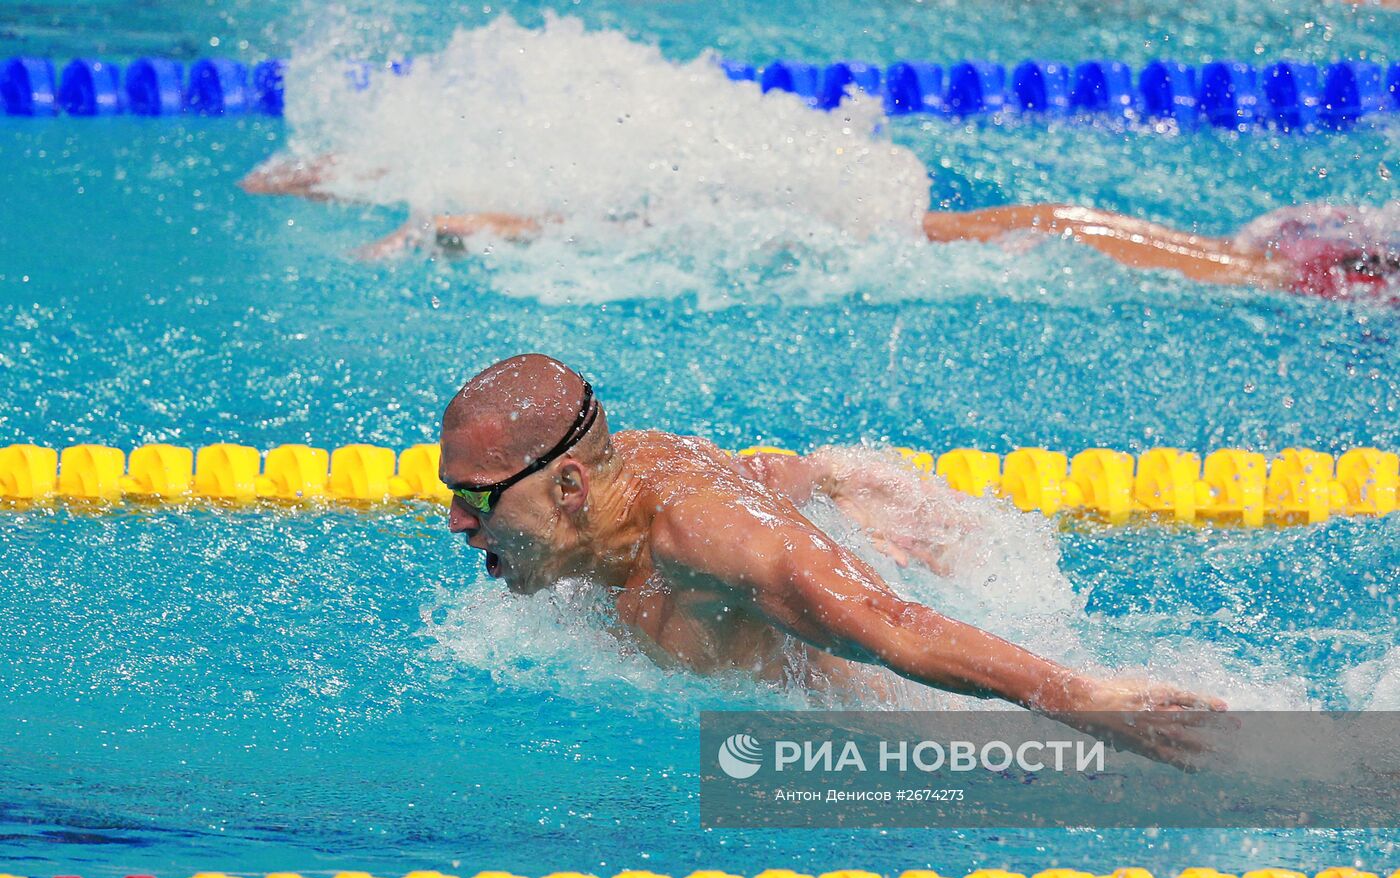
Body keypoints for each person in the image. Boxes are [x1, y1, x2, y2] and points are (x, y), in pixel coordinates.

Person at [437, 353, 1227, 768]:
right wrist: (825, 477)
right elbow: (751, 472)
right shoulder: (610, 491)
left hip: (917, 745)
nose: (457, 522)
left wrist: (1078, 693)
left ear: (568, 484)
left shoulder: (697, 541)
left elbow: (892, 623)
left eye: (477, 498)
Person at [240, 158, 1397, 299]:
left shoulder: (1335, 251)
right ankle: (464, 211)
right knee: (798, 230)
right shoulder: (1340, 269)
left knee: (771, 224)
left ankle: (450, 201)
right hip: (1071, 236)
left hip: (1233, 258)